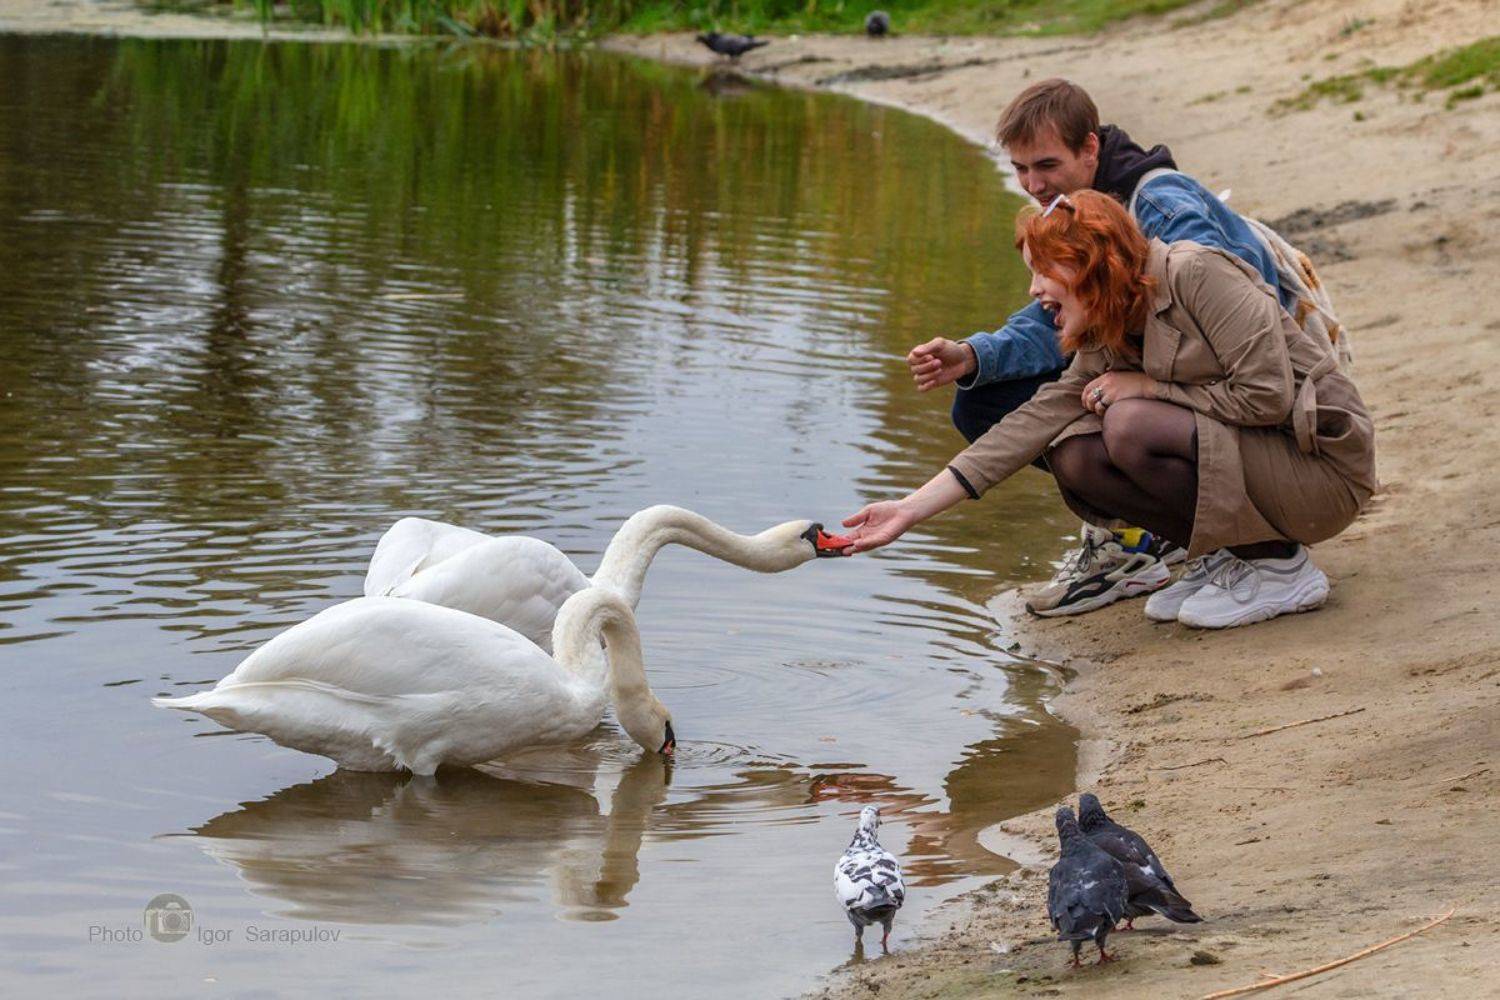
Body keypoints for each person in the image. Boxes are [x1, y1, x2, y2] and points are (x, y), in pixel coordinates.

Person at [845, 191, 1376, 630]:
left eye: (1044, 272)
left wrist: (1148, 386)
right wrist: (908, 510)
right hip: (1263, 467)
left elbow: (1267, 398)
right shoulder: (1107, 323)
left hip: (1319, 469)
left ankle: (1279, 566)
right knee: (1073, 453)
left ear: (1090, 265)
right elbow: (1031, 423)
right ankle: (1230, 556)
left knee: (1128, 423)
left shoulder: (1198, 275)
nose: (1034, 290)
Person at [907, 78, 1288, 617]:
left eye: (1045, 165)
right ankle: (1146, 532)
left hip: (1245, 393)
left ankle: (1229, 539)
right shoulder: (1072, 209)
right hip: (1177, 376)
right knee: (984, 403)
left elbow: (1228, 306)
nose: (1032, 184)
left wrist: (1147, 384)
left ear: (1090, 149)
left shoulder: (1159, 204)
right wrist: (976, 356)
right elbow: (1063, 317)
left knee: (1120, 419)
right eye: (1019, 169)